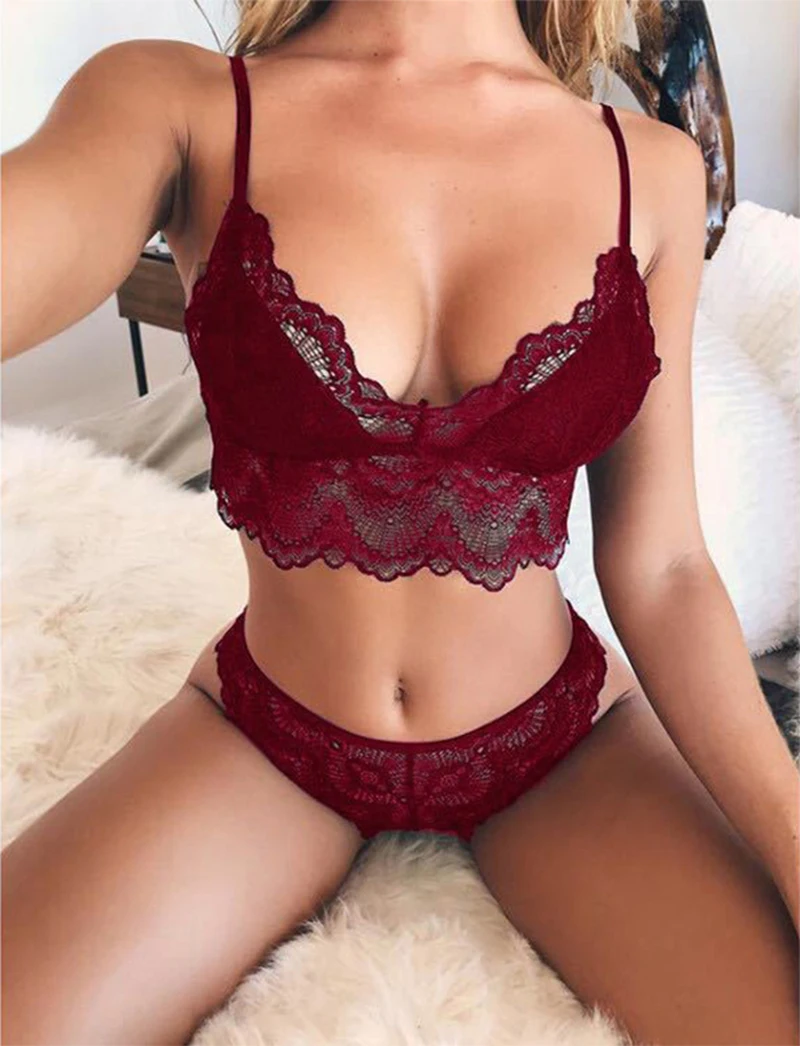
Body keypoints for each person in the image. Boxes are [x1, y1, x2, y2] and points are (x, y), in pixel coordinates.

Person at [2, 2, 798, 1043]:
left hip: (558, 744)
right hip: (269, 736)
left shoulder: (647, 168)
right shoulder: (183, 107)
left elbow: (664, 567)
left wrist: (794, 843)